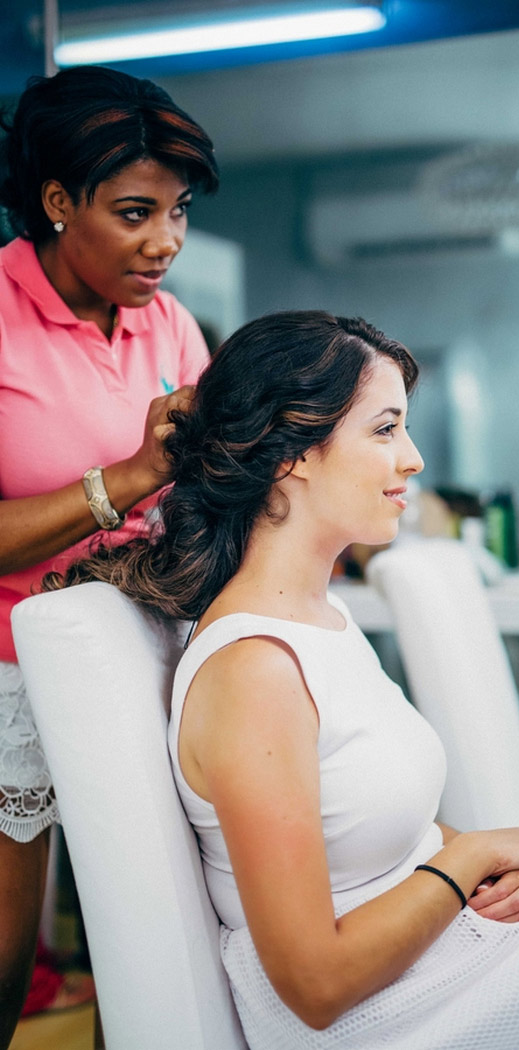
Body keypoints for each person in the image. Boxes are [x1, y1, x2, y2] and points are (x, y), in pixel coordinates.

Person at [50, 310, 519, 1050]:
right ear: (292, 451)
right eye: (386, 429)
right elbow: (315, 985)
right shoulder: (256, 673)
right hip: (384, 1018)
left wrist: (476, 859)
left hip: (426, 957)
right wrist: (466, 860)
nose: (415, 460)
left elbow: (368, 823)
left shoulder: (318, 619)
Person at [0, 64, 218, 1044]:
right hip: (9, 666)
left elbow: (211, 484)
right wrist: (123, 481)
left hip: (143, 648)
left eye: (176, 212)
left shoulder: (168, 322)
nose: (165, 242)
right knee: (7, 953)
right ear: (57, 201)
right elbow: (141, 476)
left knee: (153, 933)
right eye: (136, 212)